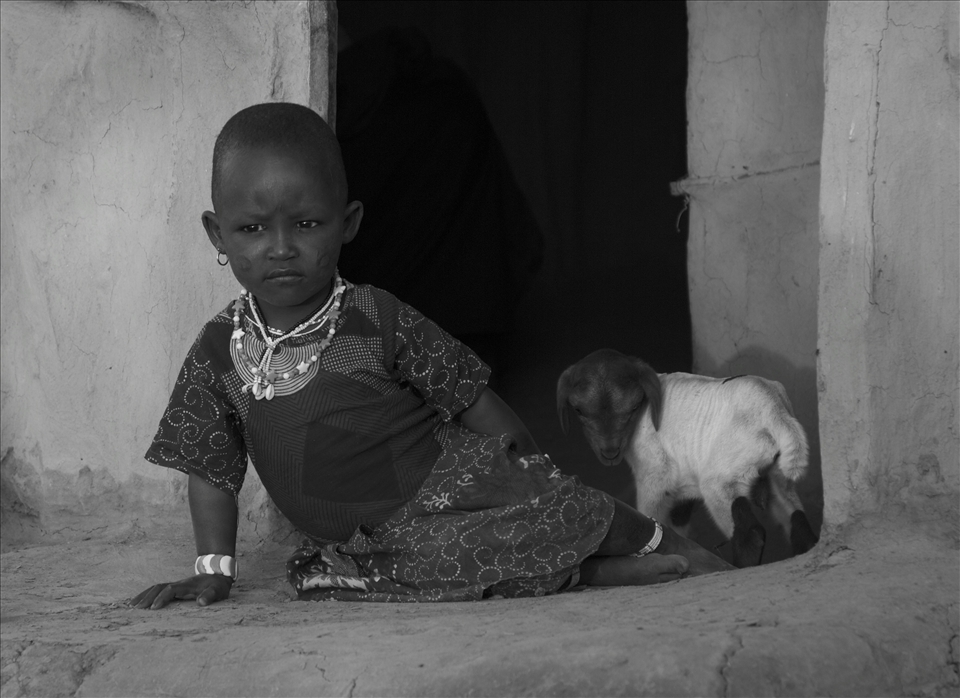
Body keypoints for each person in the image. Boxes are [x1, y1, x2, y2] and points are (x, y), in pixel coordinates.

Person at [129, 103, 732, 609]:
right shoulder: (216, 352)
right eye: (253, 230)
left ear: (348, 223)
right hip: (377, 544)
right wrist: (214, 569)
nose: (281, 248)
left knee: (563, 510)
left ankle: (676, 550)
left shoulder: (376, 318)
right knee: (346, 575)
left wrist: (535, 476)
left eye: (307, 223)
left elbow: (472, 400)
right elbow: (210, 471)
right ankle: (585, 573)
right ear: (216, 234)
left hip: (456, 487)